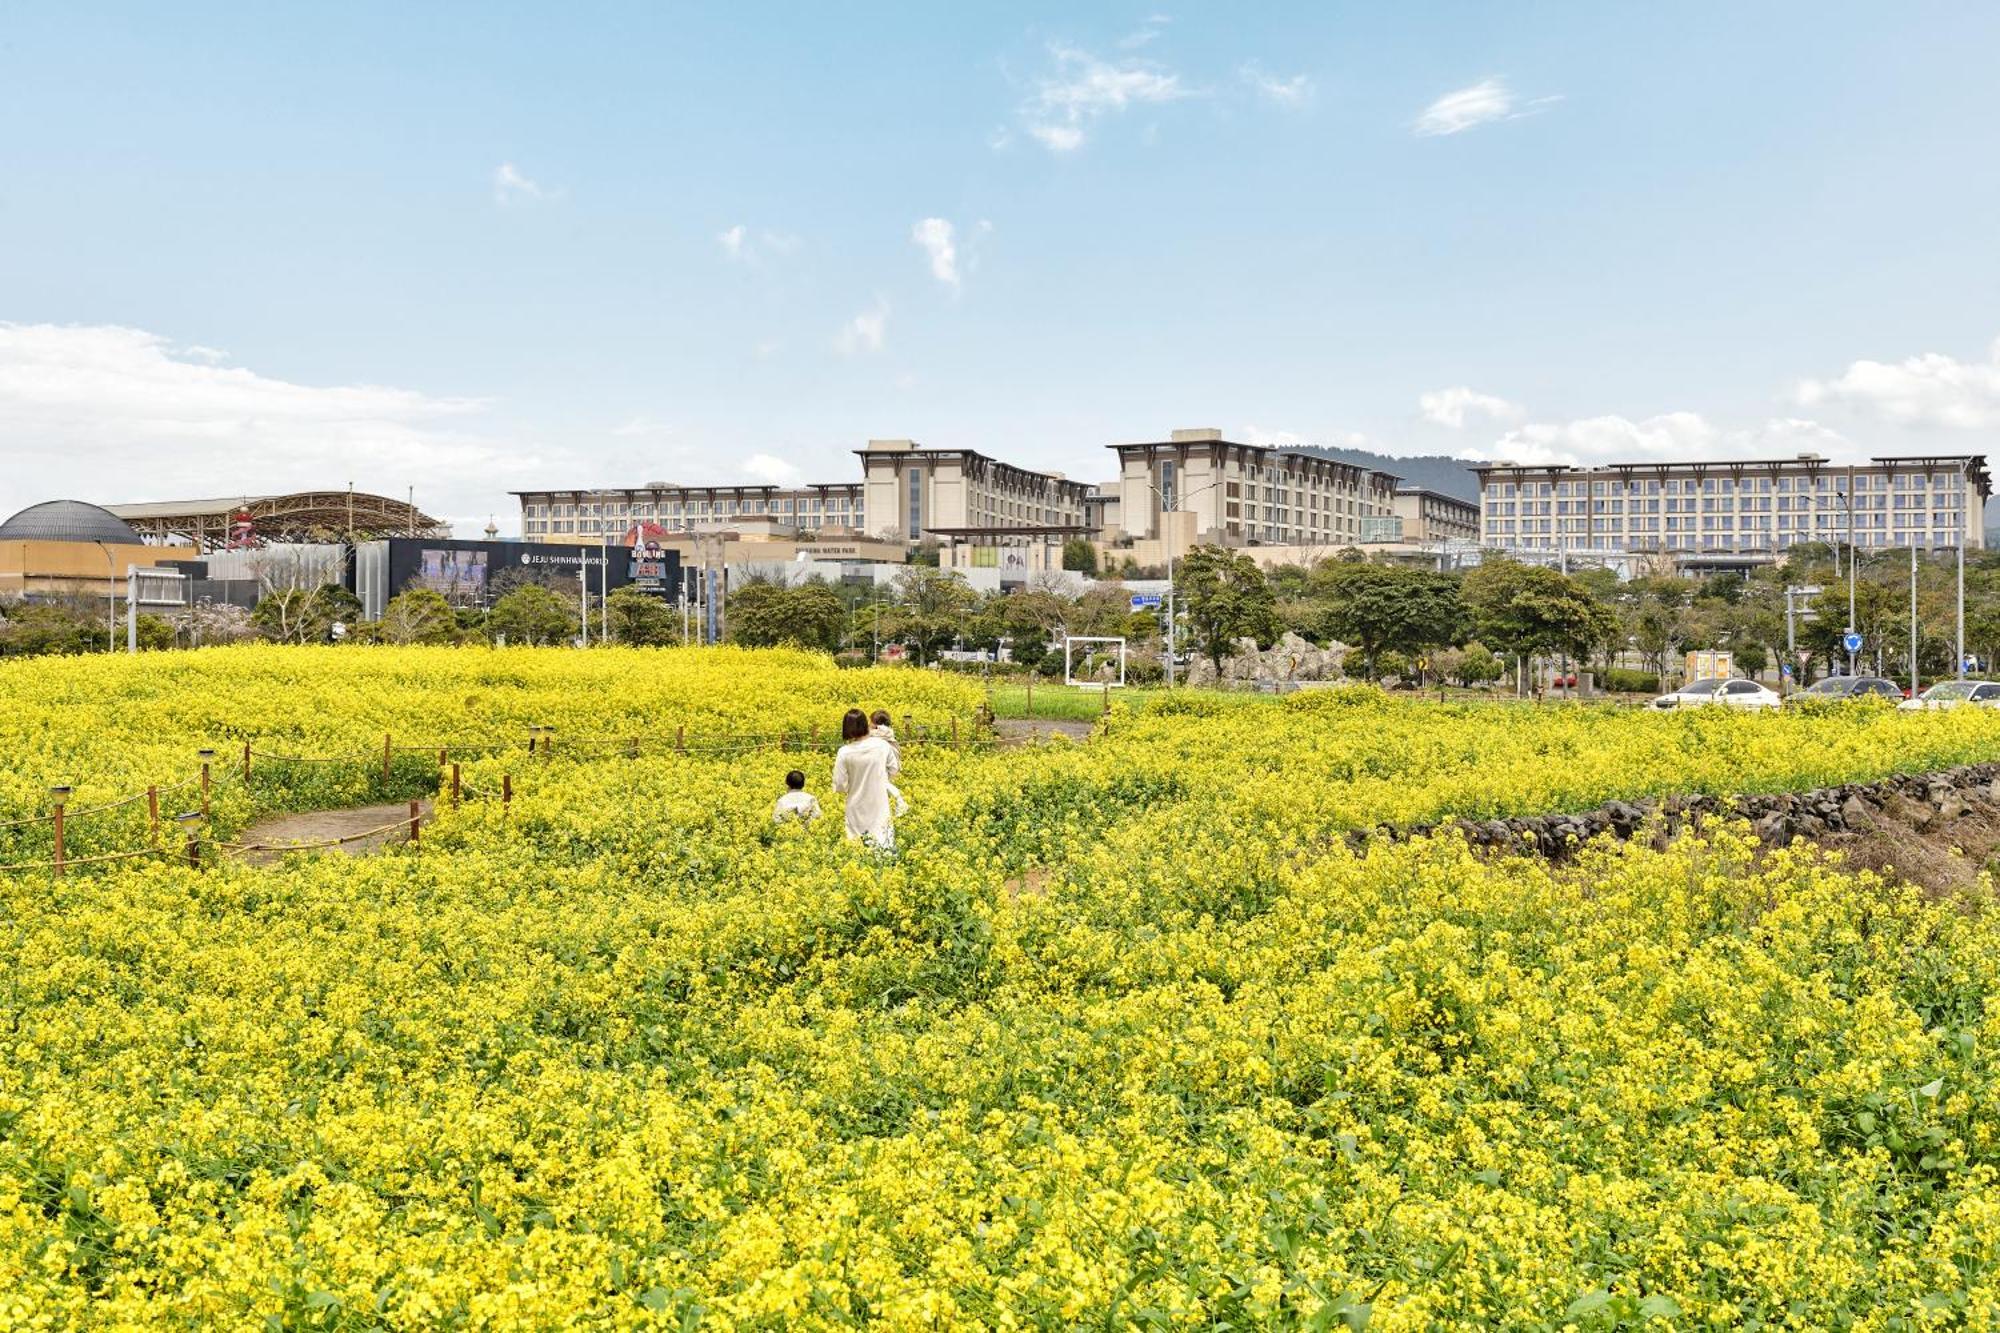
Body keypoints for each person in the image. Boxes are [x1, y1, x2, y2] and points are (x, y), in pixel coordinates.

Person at [832, 707, 900, 848]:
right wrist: (880, 779)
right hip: (879, 803)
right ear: (866, 724)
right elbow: (894, 770)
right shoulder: (882, 745)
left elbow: (840, 785)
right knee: (882, 841)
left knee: (857, 845)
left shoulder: (844, 752)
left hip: (855, 806)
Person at [869, 710, 910, 815]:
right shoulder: (888, 732)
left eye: (870, 721)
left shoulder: (874, 735)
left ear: (875, 723)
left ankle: (899, 801)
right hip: (889, 765)